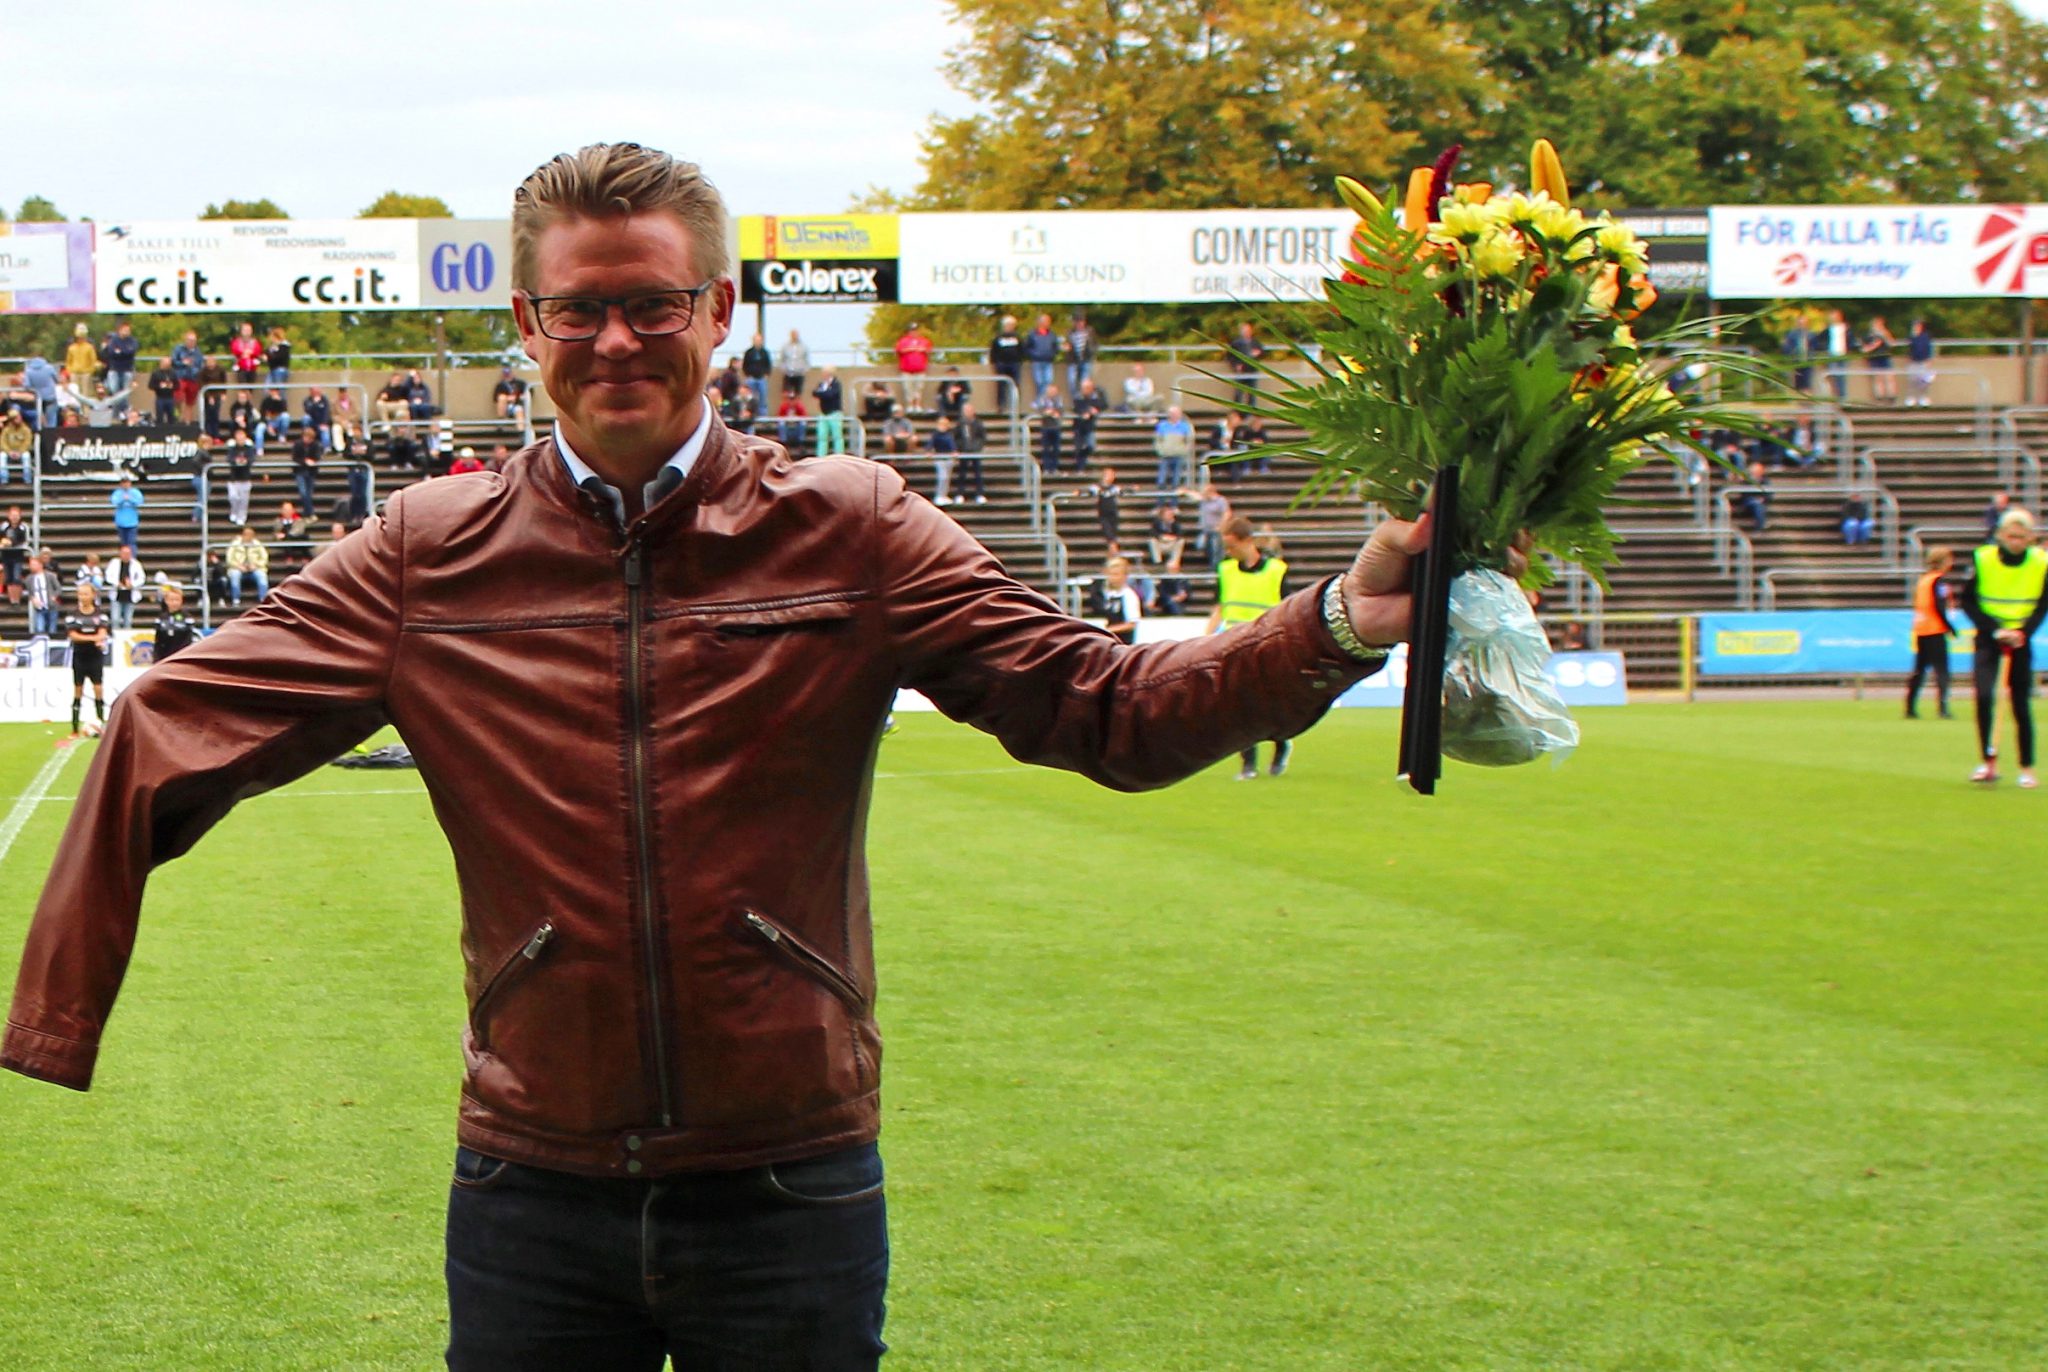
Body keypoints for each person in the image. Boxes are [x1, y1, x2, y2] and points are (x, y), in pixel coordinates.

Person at [1, 142, 1435, 1372]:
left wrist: (1338, 622)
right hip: (528, 1186)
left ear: (719, 312)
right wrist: (54, 1021)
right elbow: (161, 718)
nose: (617, 342)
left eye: (653, 305)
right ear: (527, 323)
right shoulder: (424, 558)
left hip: (790, 1180)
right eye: (582, 310)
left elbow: (1107, 708)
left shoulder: (854, 525)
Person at [1206, 515, 1294, 778]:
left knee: (1273, 706)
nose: (1228, 551)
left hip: (1270, 646)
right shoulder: (1226, 570)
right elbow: (1220, 607)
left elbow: (1286, 608)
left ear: (1247, 541)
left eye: (1232, 545)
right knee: (1240, 706)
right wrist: (1207, 636)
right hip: (1236, 645)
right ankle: (1248, 764)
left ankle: (1281, 747)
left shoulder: (1277, 570)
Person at [1963, 508, 2046, 786]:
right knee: (1985, 696)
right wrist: (1994, 629)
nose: (2015, 541)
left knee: (2020, 703)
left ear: (2030, 538)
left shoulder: (2040, 563)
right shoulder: (1983, 559)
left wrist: (2023, 632)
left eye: (2021, 537)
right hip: (1990, 636)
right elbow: (1968, 601)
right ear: (2000, 535)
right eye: (2011, 536)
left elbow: (2043, 604)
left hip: (2020, 638)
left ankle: (2026, 767)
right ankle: (1987, 762)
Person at [1907, 547, 1956, 720]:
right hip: (1935, 629)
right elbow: (1939, 605)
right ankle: (1943, 708)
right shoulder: (1938, 581)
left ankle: (1910, 707)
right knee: (1942, 670)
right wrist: (1950, 626)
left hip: (1921, 629)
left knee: (1919, 670)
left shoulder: (1923, 580)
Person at [64, 582, 111, 737]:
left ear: (93, 595)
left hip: (95, 657)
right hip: (79, 657)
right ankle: (74, 729)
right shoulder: (73, 615)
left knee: (98, 690)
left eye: (85, 593)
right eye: (80, 594)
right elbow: (73, 636)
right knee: (78, 691)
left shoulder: (100, 615)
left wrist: (88, 637)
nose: (83, 596)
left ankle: (101, 724)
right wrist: (93, 638)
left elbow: (103, 634)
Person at [1092, 555, 1141, 644]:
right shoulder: (1104, 593)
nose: (1112, 578)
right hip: (1108, 642)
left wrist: (1108, 630)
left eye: (1116, 574)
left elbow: (1131, 624)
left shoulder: (1128, 595)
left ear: (1125, 576)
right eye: (1110, 574)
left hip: (1123, 644)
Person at [99, 322, 139, 418]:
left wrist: (120, 352)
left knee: (125, 392)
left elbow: (131, 351)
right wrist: (124, 352)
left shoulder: (132, 341)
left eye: (128, 330)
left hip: (127, 370)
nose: (127, 332)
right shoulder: (113, 341)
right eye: (125, 330)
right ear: (120, 330)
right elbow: (112, 352)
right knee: (114, 390)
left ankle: (124, 412)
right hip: (114, 369)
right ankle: (115, 413)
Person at [225, 526, 270, 604]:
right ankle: (236, 599)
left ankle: (263, 599)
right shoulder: (235, 544)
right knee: (235, 576)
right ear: (242, 535)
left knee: (262, 578)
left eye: (251, 535)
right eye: (246, 534)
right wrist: (238, 566)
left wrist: (256, 565)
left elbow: (264, 558)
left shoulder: (258, 544)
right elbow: (229, 559)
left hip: (254, 568)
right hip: (238, 568)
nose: (248, 537)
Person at [894, 320, 932, 411]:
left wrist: (918, 349)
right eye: (912, 330)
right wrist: (913, 349)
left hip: (920, 369)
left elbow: (928, 350)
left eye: (915, 330)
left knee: (919, 388)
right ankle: (910, 405)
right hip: (907, 370)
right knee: (908, 388)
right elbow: (900, 350)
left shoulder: (924, 341)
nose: (914, 332)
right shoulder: (903, 341)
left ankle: (917, 405)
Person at [953, 402, 987, 504]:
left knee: (977, 473)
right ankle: (960, 493)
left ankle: (979, 494)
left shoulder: (978, 423)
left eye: (969, 410)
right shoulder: (960, 423)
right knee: (962, 473)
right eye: (965, 410)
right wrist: (960, 447)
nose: (967, 412)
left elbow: (982, 437)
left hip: (975, 451)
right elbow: (956, 436)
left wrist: (977, 447)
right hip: (964, 451)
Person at [152, 583, 197, 660]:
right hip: (165, 655)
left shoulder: (187, 617)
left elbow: (188, 638)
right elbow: (158, 640)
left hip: (182, 654)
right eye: (171, 600)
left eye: (177, 600)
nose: (174, 603)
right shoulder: (161, 618)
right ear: (166, 601)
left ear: (181, 600)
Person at [222, 429, 257, 527]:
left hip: (245, 478)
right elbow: (229, 459)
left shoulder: (249, 448)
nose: (241, 440)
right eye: (239, 438)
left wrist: (245, 461)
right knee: (233, 497)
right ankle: (234, 511)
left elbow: (252, 459)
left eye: (242, 438)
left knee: (243, 500)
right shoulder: (232, 449)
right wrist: (236, 461)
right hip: (234, 478)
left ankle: (241, 517)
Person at [987, 314, 1023, 409]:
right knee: (1001, 385)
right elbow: (993, 351)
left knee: (1015, 384)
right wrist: (994, 363)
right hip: (1001, 364)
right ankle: (1001, 405)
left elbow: (1021, 350)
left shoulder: (1017, 338)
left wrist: (1019, 360)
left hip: (1014, 364)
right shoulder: (998, 338)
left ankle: (1015, 405)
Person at [1022, 312, 1060, 401]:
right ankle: (1040, 401)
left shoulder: (1052, 334)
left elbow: (1055, 347)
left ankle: (1046, 401)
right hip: (1037, 361)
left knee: (1048, 382)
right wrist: (1033, 354)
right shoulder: (1032, 334)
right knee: (1039, 382)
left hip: (1048, 361)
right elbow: (1026, 347)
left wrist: (1053, 354)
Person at [1227, 322, 1265, 408]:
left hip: (1252, 370)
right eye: (1245, 330)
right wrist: (1236, 365)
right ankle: (1237, 411)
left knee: (1252, 393)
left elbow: (1263, 352)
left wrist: (1258, 353)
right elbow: (1229, 356)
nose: (1247, 332)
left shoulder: (1255, 342)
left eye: (1248, 330)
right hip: (1241, 371)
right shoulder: (1236, 343)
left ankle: (1251, 410)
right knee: (1239, 393)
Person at [108, 545, 146, 631]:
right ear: (120, 553)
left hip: (130, 595)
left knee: (128, 620)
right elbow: (108, 576)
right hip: (117, 594)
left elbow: (142, 578)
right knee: (115, 619)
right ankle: (116, 637)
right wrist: (117, 583)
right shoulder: (114, 563)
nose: (126, 555)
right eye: (124, 553)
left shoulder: (136, 564)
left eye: (128, 553)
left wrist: (132, 584)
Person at [1861, 315, 1896, 403]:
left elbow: (1892, 343)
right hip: (1874, 358)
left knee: (1889, 377)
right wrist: (1874, 345)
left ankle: (1891, 397)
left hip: (1885, 357)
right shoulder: (1868, 335)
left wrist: (1885, 333)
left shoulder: (1884, 333)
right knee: (1877, 378)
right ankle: (1879, 398)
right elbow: (1864, 349)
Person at [925, 413, 958, 505]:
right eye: (942, 424)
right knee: (942, 477)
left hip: (949, 458)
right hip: (940, 457)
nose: (943, 426)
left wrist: (954, 451)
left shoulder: (950, 434)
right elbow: (930, 443)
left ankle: (944, 495)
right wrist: (929, 451)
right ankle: (939, 495)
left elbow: (952, 444)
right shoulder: (936, 434)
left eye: (945, 424)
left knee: (947, 478)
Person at [25, 555, 61, 637]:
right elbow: (30, 593)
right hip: (39, 607)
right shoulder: (28, 579)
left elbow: (58, 588)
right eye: (30, 564)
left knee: (52, 629)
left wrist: (54, 596)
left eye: (34, 564)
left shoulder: (50, 576)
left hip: (51, 606)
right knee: (40, 629)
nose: (31, 567)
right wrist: (33, 599)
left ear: (40, 565)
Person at [292, 422, 324, 512]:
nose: (306, 439)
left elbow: (318, 456)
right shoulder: (298, 444)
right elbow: (295, 457)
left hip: (311, 472)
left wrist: (313, 461)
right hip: (300, 471)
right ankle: (311, 512)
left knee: (309, 494)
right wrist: (305, 461)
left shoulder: (316, 445)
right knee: (303, 493)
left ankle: (307, 513)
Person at [1088, 466, 1122, 553]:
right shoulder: (1096, 487)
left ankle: (1112, 556)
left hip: (1113, 513)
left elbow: (1122, 491)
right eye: (1108, 475)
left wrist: (1132, 489)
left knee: (1113, 537)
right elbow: (1091, 491)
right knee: (1110, 538)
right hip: (1104, 514)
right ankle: (1114, 555)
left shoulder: (1115, 488)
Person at [812, 366, 846, 455]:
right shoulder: (821, 384)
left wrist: (821, 394)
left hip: (834, 413)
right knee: (822, 436)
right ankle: (821, 455)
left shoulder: (836, 384)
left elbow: (830, 395)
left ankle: (839, 455)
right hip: (823, 413)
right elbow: (814, 392)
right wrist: (822, 393)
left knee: (837, 436)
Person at [1822, 309, 1853, 400]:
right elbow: (1821, 340)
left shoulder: (1846, 328)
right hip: (1832, 355)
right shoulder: (1828, 329)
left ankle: (1842, 398)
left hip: (1843, 355)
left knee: (1842, 377)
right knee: (1832, 376)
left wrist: (1849, 351)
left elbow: (1851, 341)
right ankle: (1834, 397)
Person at [1065, 311, 1097, 398]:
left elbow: (1094, 344)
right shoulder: (1070, 332)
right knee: (1071, 380)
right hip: (1073, 360)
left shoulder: (1089, 331)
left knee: (1085, 382)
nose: (1080, 324)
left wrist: (1092, 352)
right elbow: (1067, 344)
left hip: (1086, 359)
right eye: (1078, 322)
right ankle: (1076, 399)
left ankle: (1084, 399)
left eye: (1081, 321)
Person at [64, 325, 100, 401]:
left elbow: (93, 360)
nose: (81, 338)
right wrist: (70, 371)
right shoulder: (72, 347)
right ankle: (77, 411)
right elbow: (68, 361)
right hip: (74, 373)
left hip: (85, 374)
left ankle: (86, 412)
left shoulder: (89, 347)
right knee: (75, 394)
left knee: (85, 395)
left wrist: (90, 371)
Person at [110, 474, 145, 551]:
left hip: (132, 522)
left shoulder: (135, 492)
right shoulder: (117, 493)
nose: (125, 484)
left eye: (127, 482)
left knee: (131, 542)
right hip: (120, 522)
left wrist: (130, 499)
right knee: (123, 543)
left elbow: (140, 501)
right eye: (123, 483)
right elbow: (114, 501)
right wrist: (123, 499)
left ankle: (132, 559)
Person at [740, 332, 773, 413]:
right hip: (751, 378)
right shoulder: (749, 352)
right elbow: (745, 364)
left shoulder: (765, 352)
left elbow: (768, 364)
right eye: (756, 340)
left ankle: (763, 416)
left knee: (763, 398)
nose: (758, 342)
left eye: (759, 340)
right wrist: (747, 375)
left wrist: (766, 374)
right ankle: (751, 413)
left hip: (761, 378)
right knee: (750, 397)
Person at [1905, 319, 1936, 407]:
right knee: (1912, 380)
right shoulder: (1912, 336)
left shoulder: (1926, 336)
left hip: (1923, 361)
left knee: (1924, 382)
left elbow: (1929, 348)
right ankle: (1911, 398)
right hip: (1913, 361)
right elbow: (1910, 348)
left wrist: (1929, 360)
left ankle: (1923, 398)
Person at [1, 503, 28, 602]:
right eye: (12, 515)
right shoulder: (4, 526)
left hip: (17, 556)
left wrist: (11, 543)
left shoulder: (22, 527)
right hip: (6, 555)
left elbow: (23, 540)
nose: (14, 518)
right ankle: (11, 599)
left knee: (16, 578)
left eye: (16, 516)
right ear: (8, 516)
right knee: (8, 578)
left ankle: (17, 598)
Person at [1036, 386, 1063, 473]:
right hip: (1046, 427)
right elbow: (1040, 410)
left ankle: (1054, 468)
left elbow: (1061, 411)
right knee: (1046, 449)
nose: (1052, 393)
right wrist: (1047, 412)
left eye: (1053, 391)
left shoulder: (1058, 400)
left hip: (1056, 427)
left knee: (1056, 449)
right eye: (1050, 391)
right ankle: (1047, 468)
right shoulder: (1043, 400)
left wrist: (1054, 413)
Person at [779, 328, 808, 399]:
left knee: (798, 394)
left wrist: (804, 370)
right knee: (786, 394)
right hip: (788, 374)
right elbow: (782, 359)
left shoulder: (803, 346)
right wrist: (783, 369)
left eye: (796, 335)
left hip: (799, 373)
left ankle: (797, 409)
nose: (794, 336)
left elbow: (806, 359)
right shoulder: (785, 346)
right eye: (793, 335)